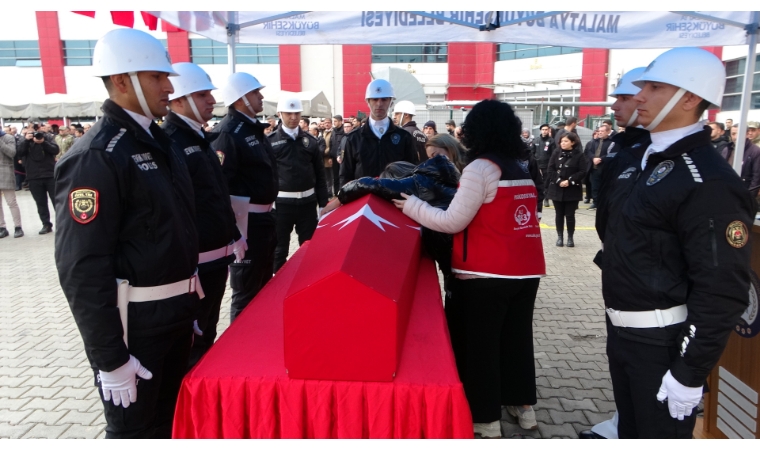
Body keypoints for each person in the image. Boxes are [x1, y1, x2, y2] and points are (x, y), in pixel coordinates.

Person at [54, 28, 201, 439]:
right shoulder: (97, 156)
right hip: (134, 330)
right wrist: (110, 358)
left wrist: (184, 307)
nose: (169, 87)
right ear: (122, 81)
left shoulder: (159, 140)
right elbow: (82, 268)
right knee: (135, 432)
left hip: (172, 317)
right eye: (158, 77)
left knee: (170, 426)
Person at [600, 47, 752, 439]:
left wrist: (689, 371)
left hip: (663, 344)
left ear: (689, 98)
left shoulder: (707, 180)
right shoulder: (644, 158)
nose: (641, 96)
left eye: (654, 87)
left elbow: (722, 289)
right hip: (624, 334)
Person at [392, 99, 545, 438]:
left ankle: (485, 419)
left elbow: (452, 221)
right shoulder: (520, 166)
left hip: (484, 273)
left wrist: (412, 205)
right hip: (526, 271)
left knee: (482, 348)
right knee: (516, 340)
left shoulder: (480, 168)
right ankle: (523, 407)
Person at [161, 62, 245, 368]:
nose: (211, 100)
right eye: (201, 94)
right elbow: (176, 210)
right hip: (195, 266)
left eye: (209, 93)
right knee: (192, 344)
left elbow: (214, 194)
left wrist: (234, 234)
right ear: (178, 100)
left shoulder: (198, 137)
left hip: (215, 257)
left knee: (205, 335)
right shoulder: (171, 141)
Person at [211, 71, 278, 322]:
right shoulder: (228, 133)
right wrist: (233, 232)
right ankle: (239, 352)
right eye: (254, 92)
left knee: (263, 288)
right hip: (245, 225)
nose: (260, 97)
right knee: (246, 293)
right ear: (240, 98)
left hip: (263, 222)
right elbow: (220, 187)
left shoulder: (251, 129)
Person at [269, 97, 329, 272]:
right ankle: (278, 291)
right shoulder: (270, 141)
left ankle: (305, 285)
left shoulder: (310, 141)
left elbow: (320, 175)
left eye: (297, 113)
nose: (293, 117)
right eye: (289, 113)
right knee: (279, 250)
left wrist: (323, 205)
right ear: (280, 114)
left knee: (309, 247)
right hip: (281, 205)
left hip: (308, 203)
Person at [339, 79, 418, 185]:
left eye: (384, 99)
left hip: (394, 199)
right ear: (368, 101)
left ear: (391, 102)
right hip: (363, 198)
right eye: (375, 99)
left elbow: (412, 172)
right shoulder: (353, 138)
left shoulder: (404, 137)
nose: (379, 104)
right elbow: (345, 176)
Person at [547, 133, 587, 247]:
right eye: (561, 141)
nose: (563, 143)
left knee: (570, 215)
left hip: (572, 189)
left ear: (572, 142)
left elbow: (583, 171)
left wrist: (569, 180)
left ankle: (570, 237)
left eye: (566, 141)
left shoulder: (579, 155)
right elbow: (550, 169)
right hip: (557, 188)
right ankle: (560, 237)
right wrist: (559, 180)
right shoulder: (556, 152)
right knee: (559, 214)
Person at [17, 127, 58, 234]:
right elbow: (19, 152)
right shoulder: (24, 140)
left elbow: (55, 150)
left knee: (57, 201)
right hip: (33, 176)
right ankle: (46, 224)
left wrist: (43, 142)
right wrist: (26, 140)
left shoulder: (47, 137)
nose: (35, 135)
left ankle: (62, 223)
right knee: (40, 203)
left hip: (50, 175)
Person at [0, 127, 23, 238]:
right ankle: (2, 227)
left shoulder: (8, 138)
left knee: (11, 202)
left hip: (5, 173)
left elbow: (11, 153)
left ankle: (18, 227)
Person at [728, 125, 760, 200]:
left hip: (744, 194)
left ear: (746, 134)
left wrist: (750, 197)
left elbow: (756, 177)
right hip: (728, 192)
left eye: (738, 134)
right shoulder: (727, 149)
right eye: (733, 134)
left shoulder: (755, 151)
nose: (736, 137)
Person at [585, 124, 613, 210]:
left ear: (608, 132)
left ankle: (604, 203)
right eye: (599, 131)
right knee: (595, 186)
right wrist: (593, 158)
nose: (600, 133)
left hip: (605, 168)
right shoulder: (594, 142)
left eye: (602, 131)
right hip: (594, 168)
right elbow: (588, 151)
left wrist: (601, 159)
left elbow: (612, 154)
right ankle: (595, 202)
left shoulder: (612, 142)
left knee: (604, 187)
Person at [531, 123, 556, 207]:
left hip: (547, 166)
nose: (544, 131)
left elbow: (554, 154)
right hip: (537, 165)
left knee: (546, 182)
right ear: (540, 130)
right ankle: (537, 197)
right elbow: (532, 153)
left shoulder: (552, 141)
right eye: (543, 129)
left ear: (549, 130)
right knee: (537, 182)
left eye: (546, 129)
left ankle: (546, 199)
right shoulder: (535, 140)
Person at [328, 115, 344, 194]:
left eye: (336, 121)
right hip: (334, 157)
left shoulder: (344, 130)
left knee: (342, 175)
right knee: (335, 176)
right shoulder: (333, 131)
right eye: (333, 121)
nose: (334, 123)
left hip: (342, 157)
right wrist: (330, 157)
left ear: (341, 121)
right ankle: (336, 193)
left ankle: (342, 191)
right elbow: (331, 143)